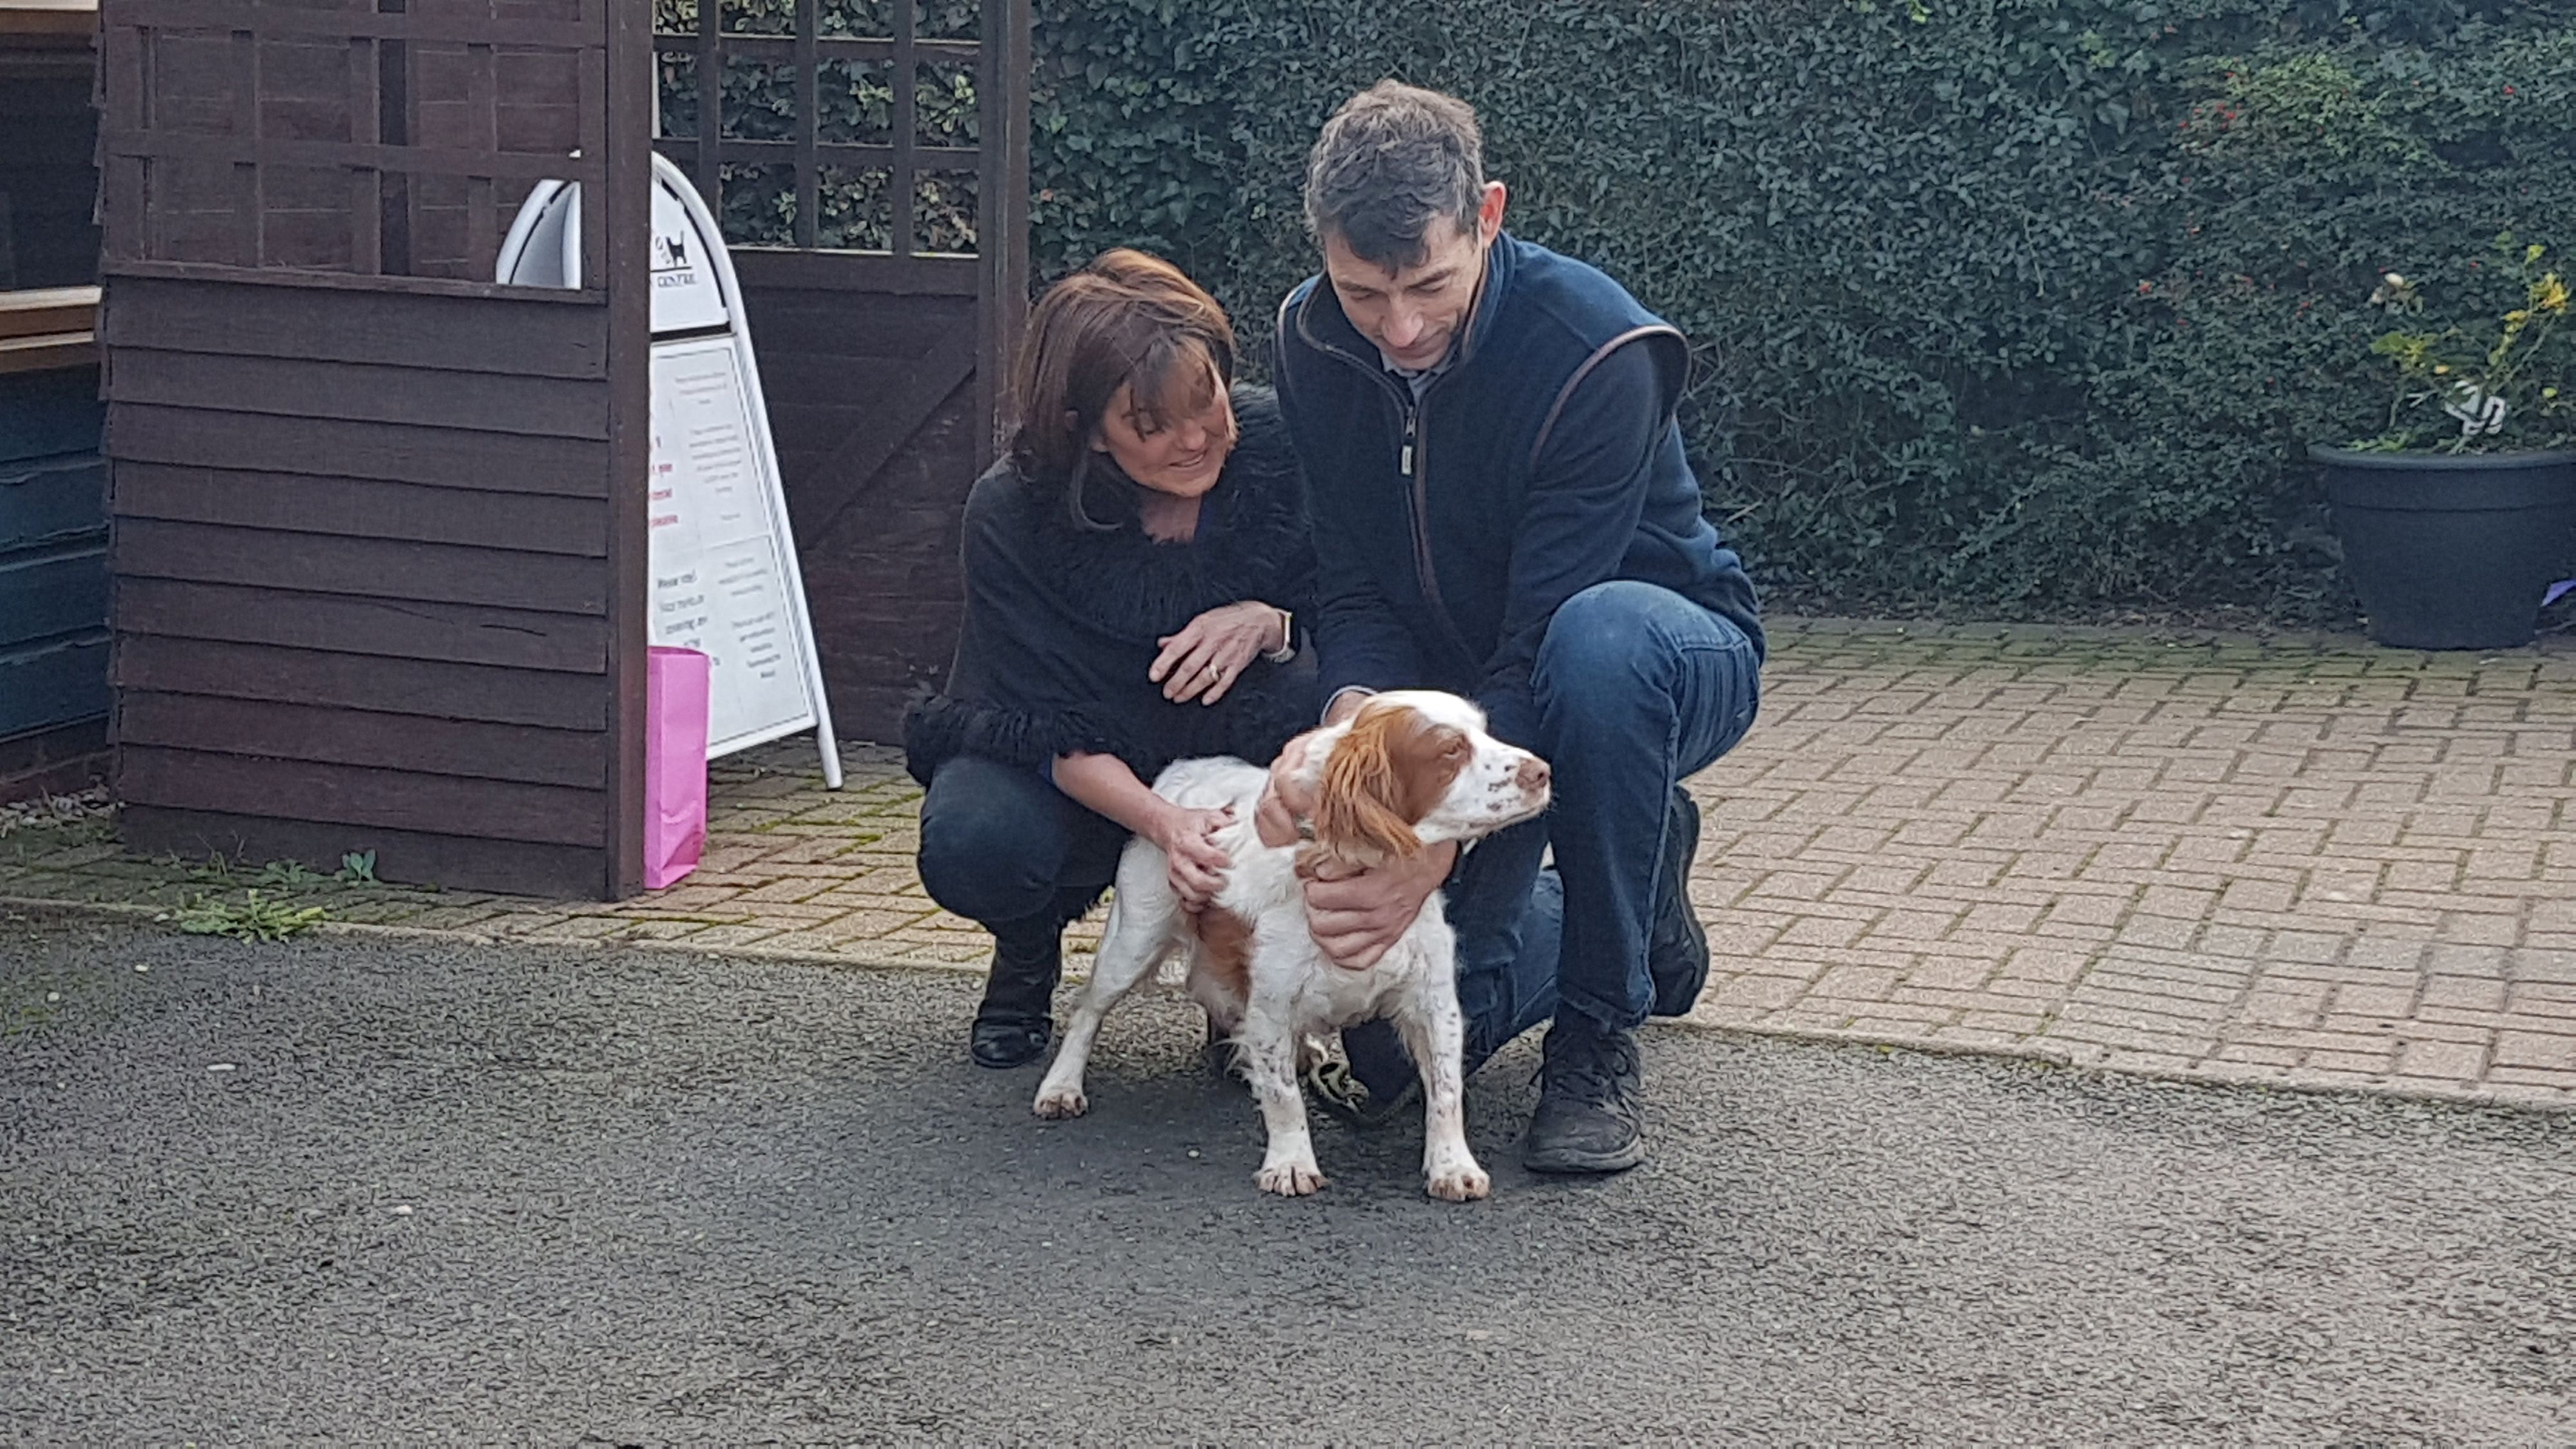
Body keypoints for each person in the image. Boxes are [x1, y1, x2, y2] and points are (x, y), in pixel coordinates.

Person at [1259, 81, 1764, 1174]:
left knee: (1601, 648)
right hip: (1465, 687)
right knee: (1385, 1076)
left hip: (1656, 654)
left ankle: (1598, 1027)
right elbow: (1348, 584)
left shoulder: (1599, 349)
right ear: (1323, 256)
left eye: (1429, 286)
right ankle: (1640, 876)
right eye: (1362, 293)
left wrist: (1429, 852)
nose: (1398, 330)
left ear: (1488, 215)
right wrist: (1350, 735)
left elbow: (1541, 642)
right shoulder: (1308, 342)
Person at [905, 249, 1316, 1069]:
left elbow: (1361, 616)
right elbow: (1039, 724)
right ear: (1083, 428)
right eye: (1152, 425)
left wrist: (1274, 623)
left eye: (1205, 401)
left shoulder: (1288, 453)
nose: (1197, 438)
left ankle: (1236, 991)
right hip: (1079, 765)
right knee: (976, 840)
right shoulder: (1009, 514)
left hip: (1245, 757)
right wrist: (1164, 823)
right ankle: (1025, 952)